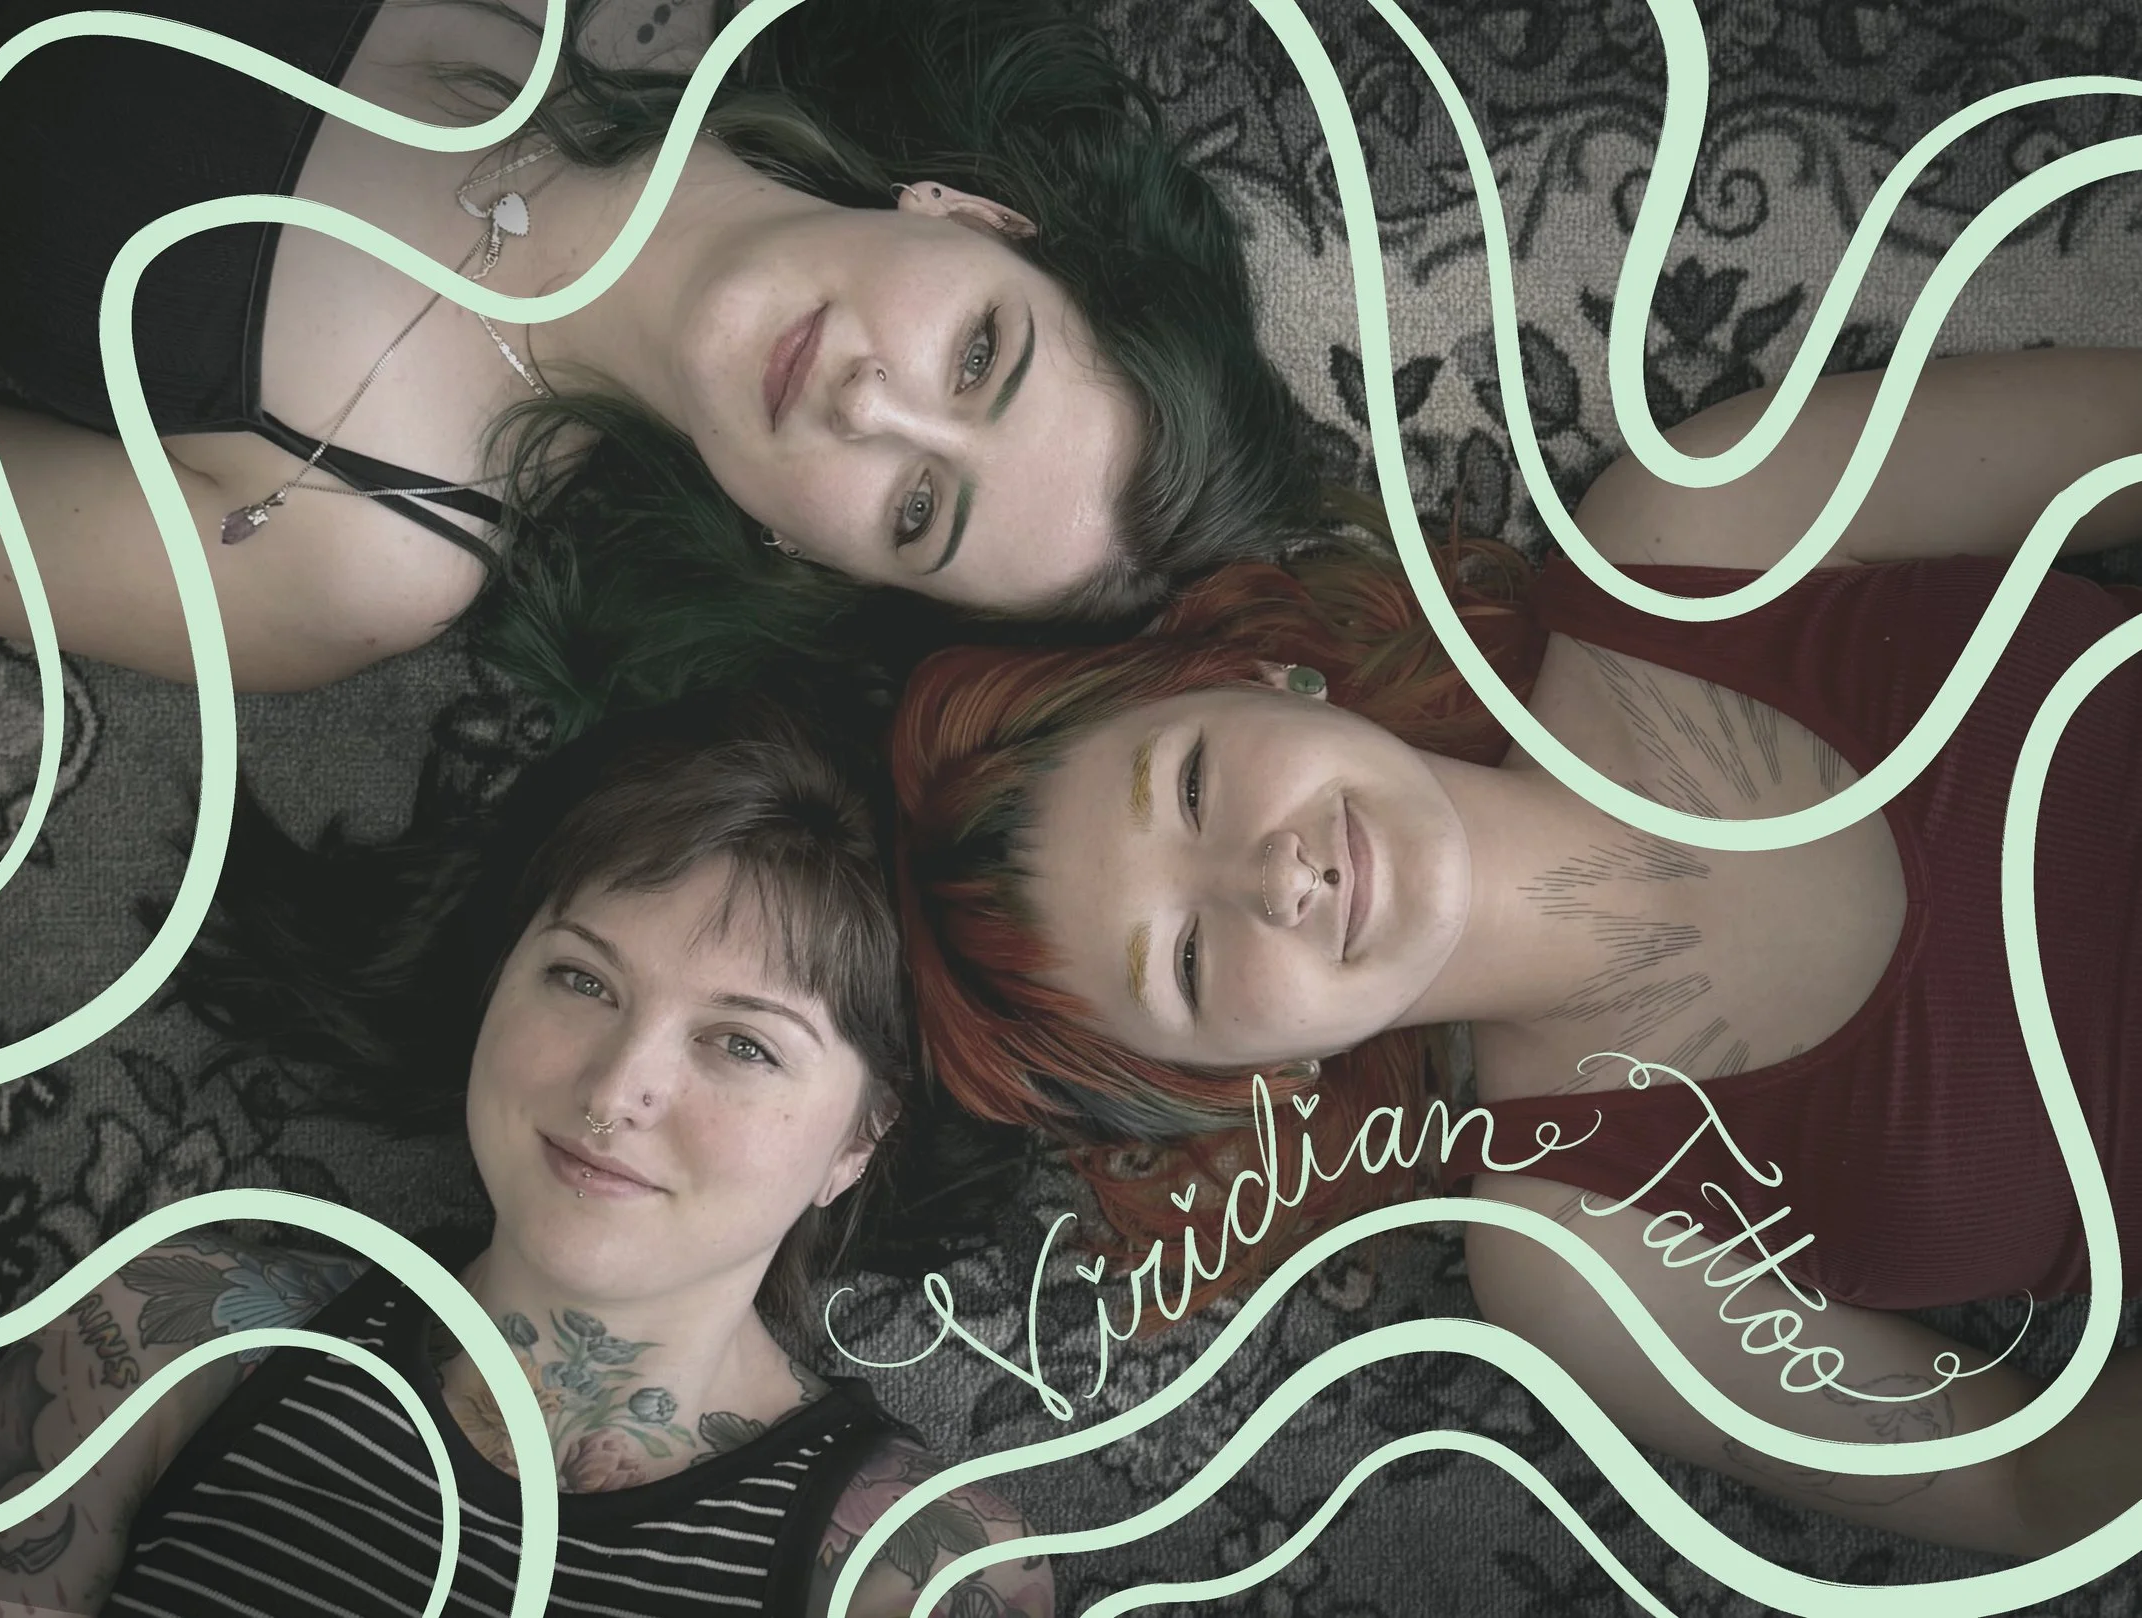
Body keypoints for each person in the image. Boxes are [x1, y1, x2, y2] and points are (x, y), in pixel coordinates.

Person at [886, 345, 2142, 1558]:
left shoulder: (1692, 526)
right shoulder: (1575, 1267)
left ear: (1265, 678)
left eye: (1196, 787)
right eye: (1188, 965)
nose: (1271, 877)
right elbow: (2030, 1483)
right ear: (1251, 1079)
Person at [0, 0, 1329, 722]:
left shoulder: (368, 549)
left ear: (809, 555)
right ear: (971, 212)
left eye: (916, 509)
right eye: (978, 353)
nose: (873, 402)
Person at [0, 691, 1053, 1616]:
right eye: (582, 979)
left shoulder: (923, 1565)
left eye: (742, 1043)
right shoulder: (166, 1338)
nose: (615, 1090)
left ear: (859, 1139)